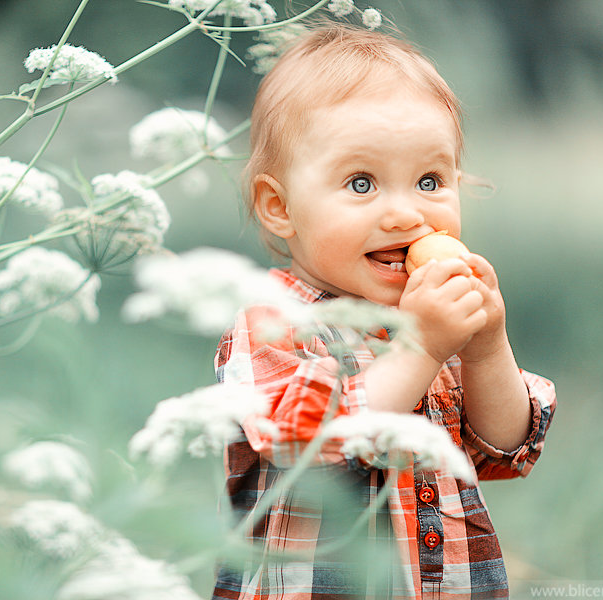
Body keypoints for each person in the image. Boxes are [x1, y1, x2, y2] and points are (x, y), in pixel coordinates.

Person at [212, 22, 557, 600]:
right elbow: (310, 445)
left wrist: (485, 345)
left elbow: (504, 451)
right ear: (280, 206)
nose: (404, 214)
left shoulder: (427, 313)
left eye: (429, 180)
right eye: (362, 182)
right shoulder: (270, 323)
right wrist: (421, 346)